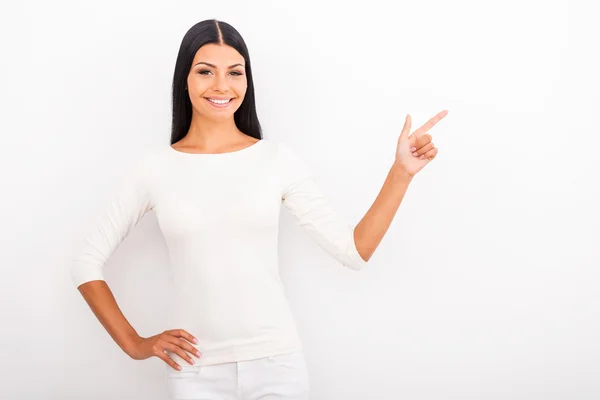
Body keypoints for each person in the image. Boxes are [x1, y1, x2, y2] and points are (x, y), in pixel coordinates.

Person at [70, 18, 448, 400]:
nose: (221, 85)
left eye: (235, 72)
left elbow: (353, 252)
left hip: (277, 367)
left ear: (247, 82)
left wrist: (401, 173)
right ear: (184, 79)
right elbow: (86, 261)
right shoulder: (154, 169)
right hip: (194, 372)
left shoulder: (276, 159)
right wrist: (135, 344)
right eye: (205, 71)